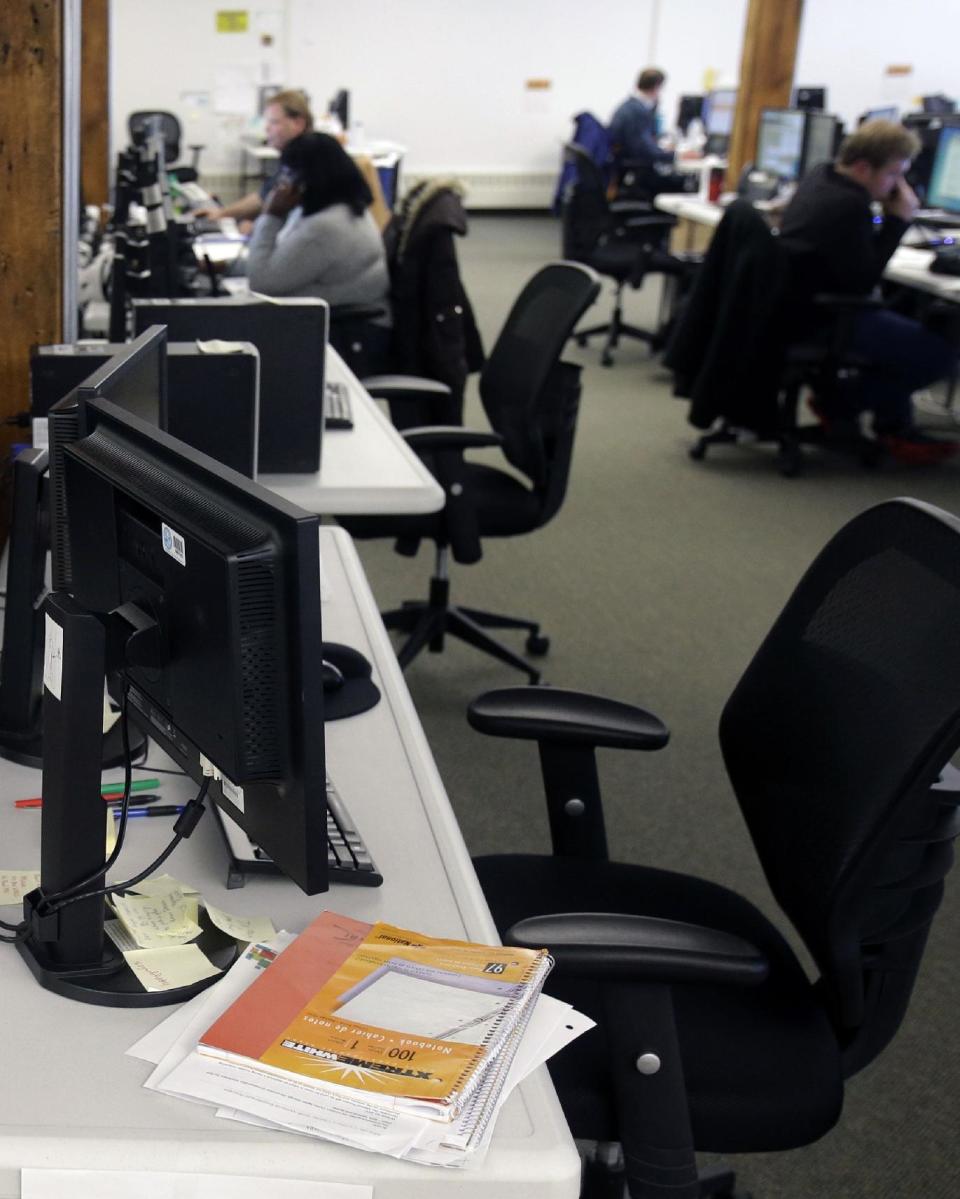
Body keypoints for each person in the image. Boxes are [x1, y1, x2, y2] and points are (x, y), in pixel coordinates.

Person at [778, 119, 959, 464]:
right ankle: (842, 401)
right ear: (863, 168)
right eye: (893, 175)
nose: (898, 186)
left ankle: (892, 423)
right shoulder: (848, 206)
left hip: (799, 307)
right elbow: (863, 283)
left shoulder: (822, 177)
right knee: (940, 355)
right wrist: (897, 222)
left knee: (908, 313)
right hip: (827, 316)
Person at [246, 131, 390, 310]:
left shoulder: (326, 227)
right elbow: (276, 263)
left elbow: (261, 285)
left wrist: (271, 215)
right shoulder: (343, 209)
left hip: (347, 328)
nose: (282, 183)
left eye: (288, 173)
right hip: (335, 317)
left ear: (305, 179)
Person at [193, 89, 313, 231]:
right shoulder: (290, 161)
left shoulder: (310, 164)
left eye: (274, 122)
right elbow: (262, 197)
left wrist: (256, 228)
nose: (267, 128)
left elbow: (299, 223)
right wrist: (221, 214)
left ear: (298, 124)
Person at [609, 68, 676, 172]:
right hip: (637, 172)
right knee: (686, 182)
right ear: (656, 87)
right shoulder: (638, 112)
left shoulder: (629, 106)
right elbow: (646, 151)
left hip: (625, 167)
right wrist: (675, 156)